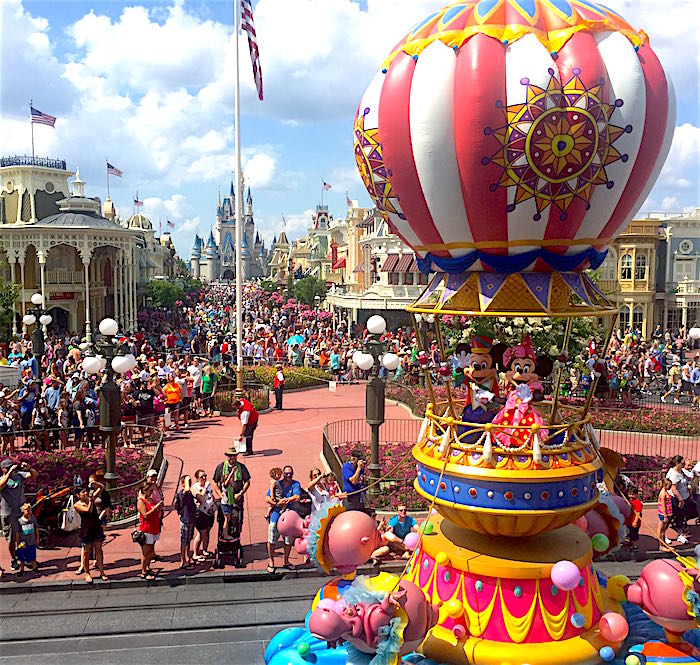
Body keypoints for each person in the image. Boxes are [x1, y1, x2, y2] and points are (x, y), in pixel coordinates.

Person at [0, 458, 38, 571]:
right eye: (10, 467)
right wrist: (9, 472)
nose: (13, 469)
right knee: (12, 539)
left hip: (21, 512)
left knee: (25, 535)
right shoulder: (2, 478)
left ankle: (26, 557)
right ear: (4, 469)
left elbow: (35, 475)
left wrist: (29, 468)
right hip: (8, 513)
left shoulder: (19, 476)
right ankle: (14, 559)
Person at [265, 465, 301, 573]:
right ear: (283, 474)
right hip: (276, 514)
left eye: (290, 474)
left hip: (289, 516)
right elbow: (267, 498)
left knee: (288, 540)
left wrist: (287, 500)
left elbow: (297, 497)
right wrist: (277, 502)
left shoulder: (295, 484)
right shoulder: (277, 483)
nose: (288, 476)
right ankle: (271, 561)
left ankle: (286, 561)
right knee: (272, 539)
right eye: (286, 474)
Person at [212, 447, 251, 542]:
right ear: (227, 456)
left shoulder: (241, 467)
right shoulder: (221, 467)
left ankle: (236, 540)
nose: (232, 457)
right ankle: (224, 539)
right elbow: (214, 481)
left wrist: (240, 493)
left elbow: (247, 481)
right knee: (224, 520)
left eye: (234, 455)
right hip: (225, 501)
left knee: (237, 520)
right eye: (230, 456)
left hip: (237, 500)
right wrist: (220, 494)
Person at [73, 482, 107, 583]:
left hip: (96, 527)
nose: (86, 493)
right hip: (87, 529)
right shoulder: (77, 505)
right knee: (87, 552)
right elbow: (88, 510)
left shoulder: (91, 498)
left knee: (99, 549)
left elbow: (102, 487)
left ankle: (102, 572)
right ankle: (87, 572)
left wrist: (94, 483)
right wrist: (91, 500)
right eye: (83, 492)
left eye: (85, 491)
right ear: (78, 495)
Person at [136, 480, 163, 580]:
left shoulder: (150, 500)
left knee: (150, 550)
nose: (151, 493)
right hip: (147, 529)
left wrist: (158, 508)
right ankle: (143, 571)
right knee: (146, 551)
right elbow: (145, 515)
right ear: (144, 491)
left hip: (154, 527)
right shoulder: (141, 501)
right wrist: (155, 508)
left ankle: (147, 568)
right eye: (150, 491)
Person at [192, 469, 218, 561]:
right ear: (197, 478)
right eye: (201, 477)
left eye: (205, 476)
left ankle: (205, 550)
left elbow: (211, 495)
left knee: (207, 531)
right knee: (201, 533)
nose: (204, 478)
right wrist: (205, 488)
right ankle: (195, 553)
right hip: (201, 513)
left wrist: (216, 503)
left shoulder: (208, 485)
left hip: (210, 513)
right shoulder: (195, 487)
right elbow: (201, 499)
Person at [665, 455, 690, 545]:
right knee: (670, 517)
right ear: (677, 463)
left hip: (684, 497)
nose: (683, 464)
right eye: (682, 463)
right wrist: (680, 500)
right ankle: (663, 534)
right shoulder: (673, 474)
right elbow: (673, 489)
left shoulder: (681, 471)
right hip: (676, 500)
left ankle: (680, 534)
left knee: (680, 517)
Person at [174, 475, 197, 569]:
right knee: (184, 541)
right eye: (188, 481)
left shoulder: (189, 493)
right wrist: (186, 480)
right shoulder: (183, 493)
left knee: (188, 541)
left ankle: (188, 558)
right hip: (186, 520)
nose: (190, 482)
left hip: (191, 519)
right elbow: (186, 489)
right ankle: (183, 561)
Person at [15, 501, 39, 577]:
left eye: (30, 510)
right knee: (22, 557)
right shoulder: (20, 521)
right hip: (23, 542)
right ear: (23, 511)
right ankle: (22, 569)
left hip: (31, 541)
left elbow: (36, 528)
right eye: (27, 510)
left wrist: (37, 538)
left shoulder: (33, 519)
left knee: (33, 555)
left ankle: (34, 567)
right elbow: (18, 532)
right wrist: (18, 542)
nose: (29, 512)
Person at [145, 469, 164, 561]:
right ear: (147, 477)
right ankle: (149, 555)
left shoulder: (157, 486)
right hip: (151, 515)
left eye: (155, 476)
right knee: (149, 537)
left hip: (158, 514)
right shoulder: (146, 489)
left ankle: (153, 552)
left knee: (156, 534)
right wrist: (155, 506)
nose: (154, 478)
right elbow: (145, 501)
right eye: (151, 476)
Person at [657, 478, 674, 550]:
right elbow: (663, 505)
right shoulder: (663, 493)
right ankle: (661, 545)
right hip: (664, 514)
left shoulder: (666, 491)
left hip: (668, 512)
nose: (670, 487)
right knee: (661, 530)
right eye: (669, 486)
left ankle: (664, 544)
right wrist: (665, 515)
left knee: (664, 530)